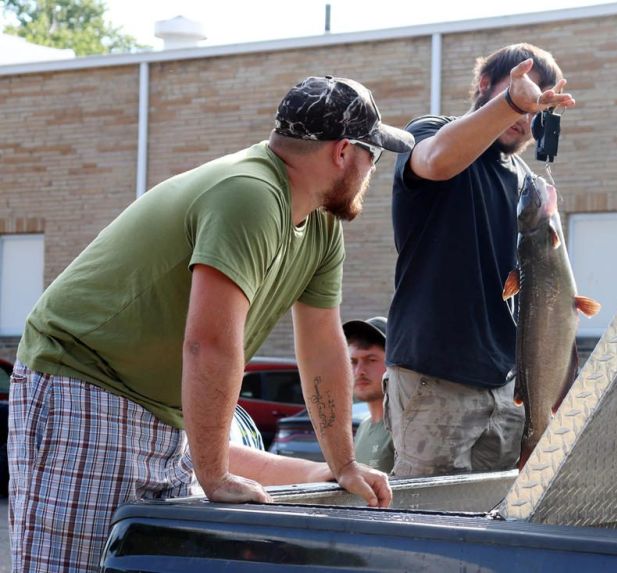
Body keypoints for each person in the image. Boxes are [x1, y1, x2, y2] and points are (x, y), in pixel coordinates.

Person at [9, 75, 414, 573]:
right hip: (85, 380)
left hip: (162, 407)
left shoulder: (321, 228)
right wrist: (214, 474)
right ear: (344, 151)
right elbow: (209, 345)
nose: (373, 170)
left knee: (145, 562)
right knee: (77, 565)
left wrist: (343, 464)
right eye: (373, 156)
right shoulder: (251, 195)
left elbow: (324, 350)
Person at [385, 43, 576, 477]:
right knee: (426, 523)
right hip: (434, 375)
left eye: (536, 105)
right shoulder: (433, 131)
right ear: (485, 86)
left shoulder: (527, 182)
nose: (526, 115)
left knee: (495, 521)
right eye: (519, 95)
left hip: (508, 385)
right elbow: (434, 161)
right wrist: (510, 105)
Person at [343, 316, 394, 473]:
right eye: (352, 362)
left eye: (371, 360)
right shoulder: (363, 426)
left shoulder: (406, 428)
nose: (359, 371)